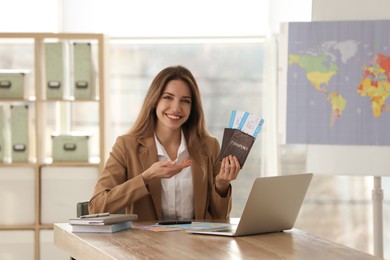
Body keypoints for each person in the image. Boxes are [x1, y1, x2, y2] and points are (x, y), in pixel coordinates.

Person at [88, 65, 241, 221]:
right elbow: (97, 206)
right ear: (155, 100)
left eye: (185, 101)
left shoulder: (209, 146)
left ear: (192, 108)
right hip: (145, 244)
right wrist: (146, 177)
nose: (176, 108)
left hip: (196, 243)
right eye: (168, 97)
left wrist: (221, 185)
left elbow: (219, 219)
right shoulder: (127, 146)